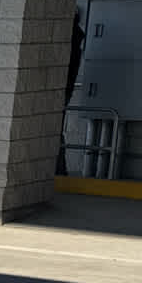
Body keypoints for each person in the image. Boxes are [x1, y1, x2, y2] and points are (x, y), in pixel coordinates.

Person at [57, 11, 86, 176]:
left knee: (53, 132)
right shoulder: (75, 39)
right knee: (56, 131)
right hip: (65, 90)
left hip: (60, 90)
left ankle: (59, 170)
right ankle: (60, 170)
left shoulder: (68, 40)